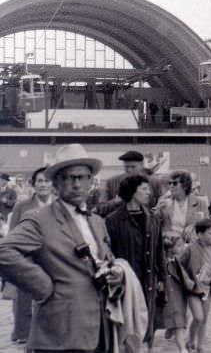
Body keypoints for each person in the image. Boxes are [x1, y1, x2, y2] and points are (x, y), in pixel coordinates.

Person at [0, 143, 125, 353]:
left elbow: (105, 259)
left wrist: (116, 273)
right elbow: (4, 252)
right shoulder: (39, 219)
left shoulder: (96, 221)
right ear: (56, 183)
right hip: (58, 333)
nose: (76, 184)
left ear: (91, 181)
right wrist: (44, 287)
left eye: (82, 177)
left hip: (100, 329)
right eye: (69, 177)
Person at [105, 173, 165, 350]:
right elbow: (109, 253)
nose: (149, 193)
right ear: (132, 192)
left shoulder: (153, 218)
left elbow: (159, 249)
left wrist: (162, 277)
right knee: (128, 327)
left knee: (148, 324)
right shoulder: (113, 220)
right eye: (144, 189)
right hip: (126, 284)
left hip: (149, 282)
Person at [155, 170, 209, 353]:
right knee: (175, 296)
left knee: (196, 299)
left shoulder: (199, 202)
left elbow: (208, 227)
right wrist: (158, 215)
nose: (171, 187)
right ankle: (175, 325)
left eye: (175, 183)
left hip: (193, 257)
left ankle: (189, 335)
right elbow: (156, 229)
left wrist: (195, 226)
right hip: (172, 255)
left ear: (185, 185)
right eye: (169, 183)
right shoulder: (165, 204)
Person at [7, 166, 54, 345]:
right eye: (39, 181)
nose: (43, 185)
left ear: (53, 184)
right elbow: (13, 235)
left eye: (46, 181)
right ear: (33, 185)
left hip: (52, 257)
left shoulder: (58, 204)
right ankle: (23, 333)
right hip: (28, 257)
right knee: (24, 297)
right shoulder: (22, 206)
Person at [179, 219, 211, 353]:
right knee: (198, 317)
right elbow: (179, 265)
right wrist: (187, 280)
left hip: (208, 288)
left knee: (204, 318)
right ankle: (191, 340)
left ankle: (200, 345)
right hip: (193, 289)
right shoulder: (190, 249)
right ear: (199, 234)